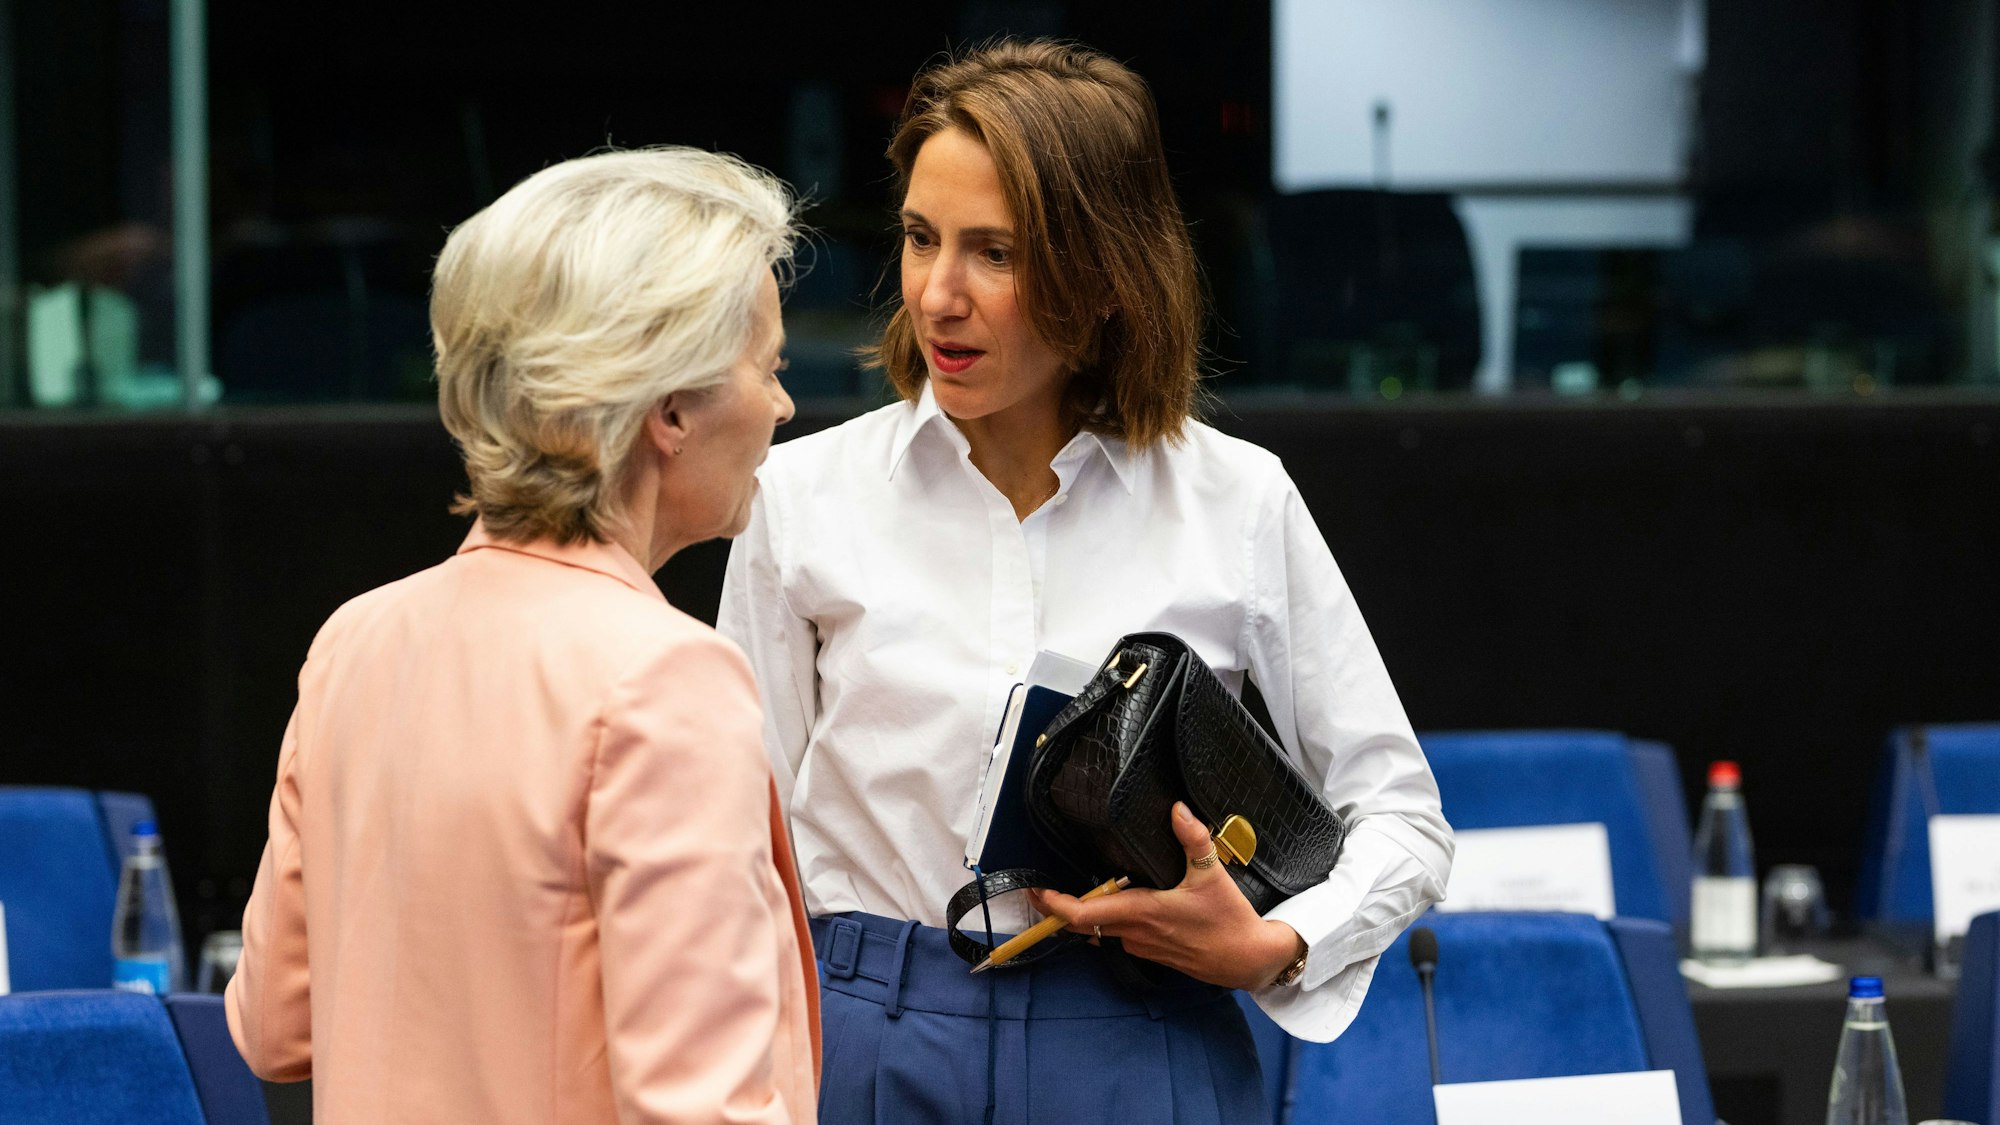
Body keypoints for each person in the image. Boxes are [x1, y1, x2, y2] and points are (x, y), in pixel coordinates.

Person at [718, 38, 1453, 1124]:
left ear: (1106, 274)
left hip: (1142, 1030)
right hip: (870, 1026)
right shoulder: (800, 497)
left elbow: (1401, 815)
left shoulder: (1234, 498)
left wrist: (1277, 942)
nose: (937, 294)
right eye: (919, 238)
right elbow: (736, 842)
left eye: (995, 253)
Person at [227, 148, 818, 1125]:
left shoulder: (355, 641)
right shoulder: (666, 678)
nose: (784, 405)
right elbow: (700, 1106)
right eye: (771, 367)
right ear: (671, 408)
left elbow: (274, 1026)